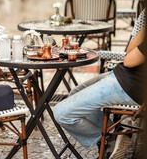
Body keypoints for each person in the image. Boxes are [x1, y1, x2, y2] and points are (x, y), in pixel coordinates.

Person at [53, 26, 146, 156]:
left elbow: (129, 61)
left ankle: (109, 137)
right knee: (74, 93)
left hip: (130, 85)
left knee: (62, 113)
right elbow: (129, 52)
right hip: (123, 76)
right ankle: (115, 132)